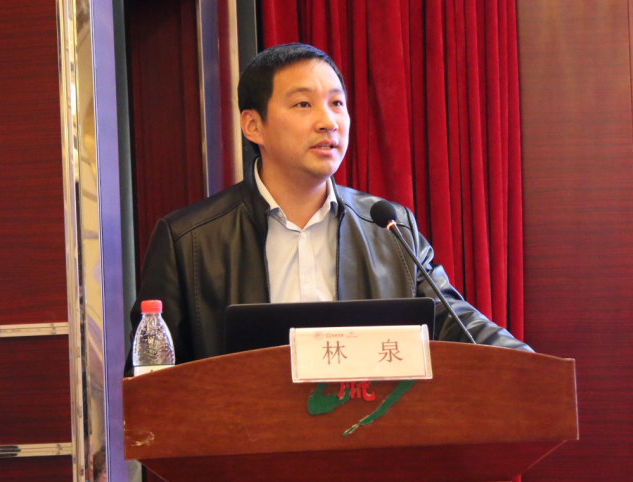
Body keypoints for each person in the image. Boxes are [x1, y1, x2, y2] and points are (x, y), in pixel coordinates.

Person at [126, 43, 531, 375]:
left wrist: (532, 367)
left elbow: (456, 324)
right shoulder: (188, 241)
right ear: (253, 126)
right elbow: (151, 379)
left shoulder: (389, 228)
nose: (328, 122)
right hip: (244, 444)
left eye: (337, 103)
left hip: (368, 441)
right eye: (304, 104)